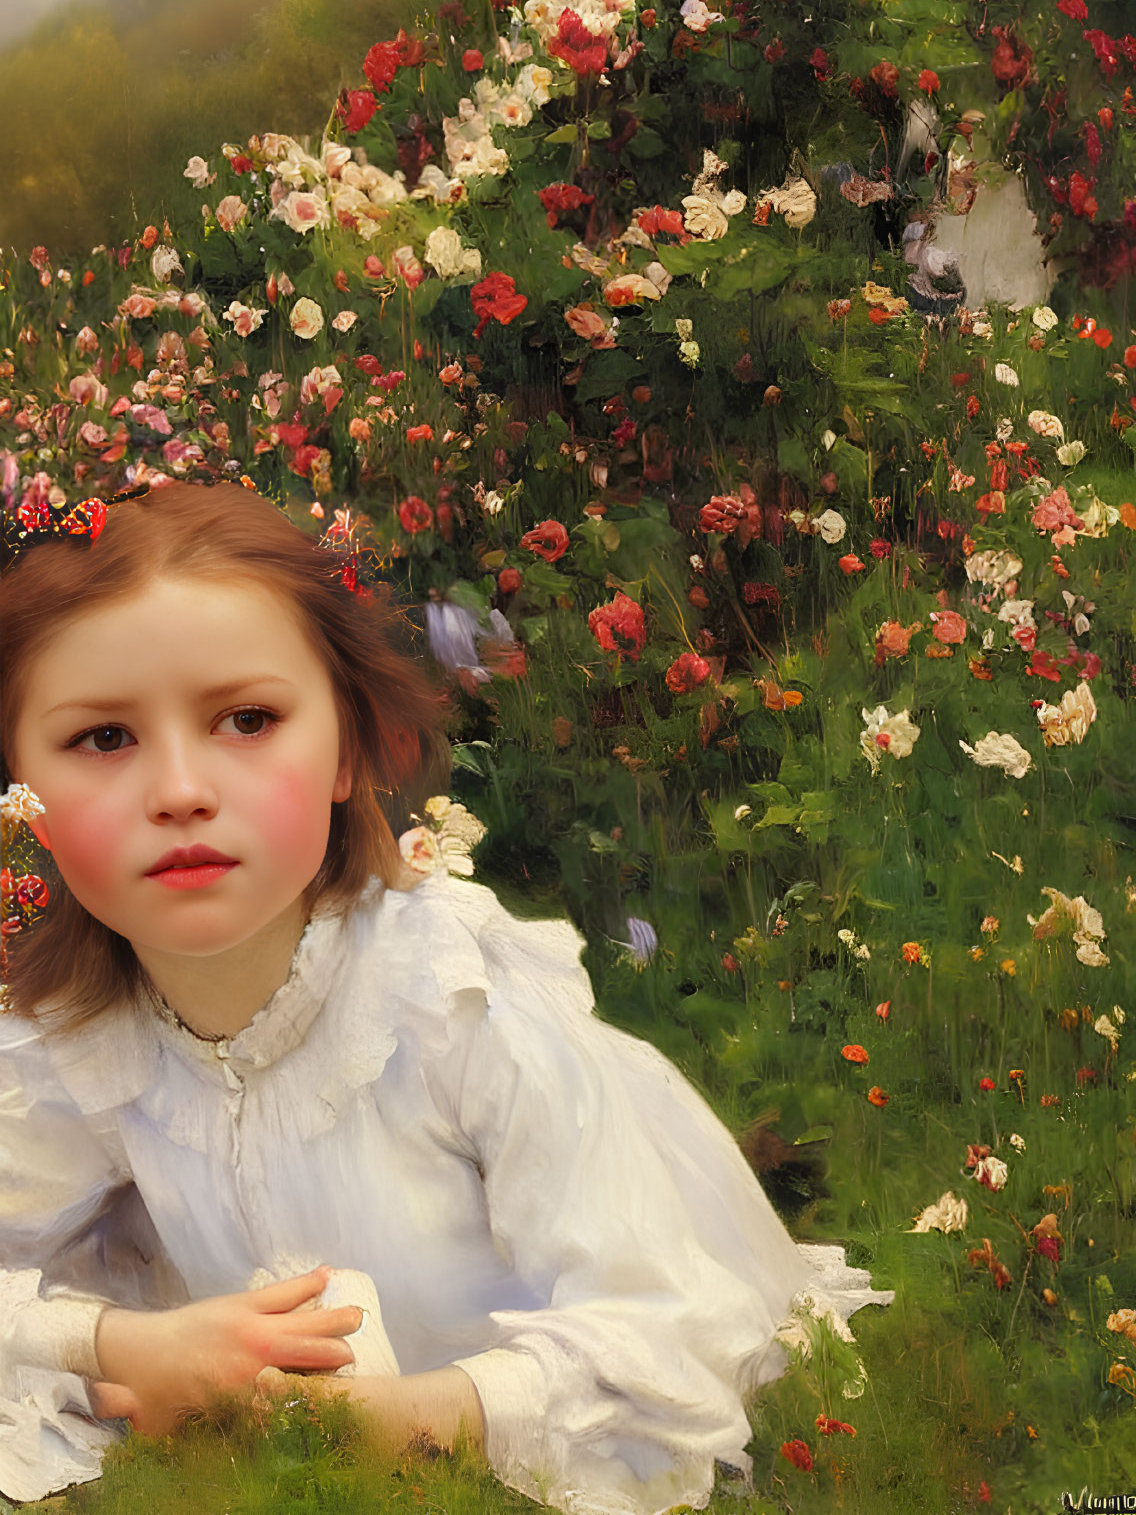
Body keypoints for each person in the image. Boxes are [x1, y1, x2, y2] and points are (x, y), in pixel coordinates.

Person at [0, 478, 893, 1514]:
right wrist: (123, 1342)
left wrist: (389, 1419)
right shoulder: (77, 1037)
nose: (180, 787)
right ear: (21, 791)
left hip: (497, 1429)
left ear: (344, 748)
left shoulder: (449, 1000)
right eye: (104, 739)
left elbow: (663, 1318)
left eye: (247, 718)